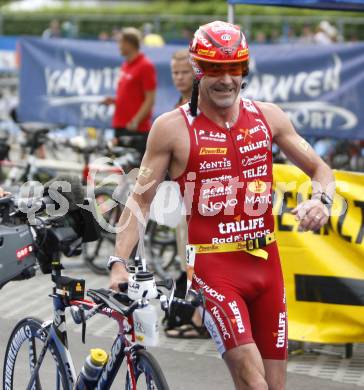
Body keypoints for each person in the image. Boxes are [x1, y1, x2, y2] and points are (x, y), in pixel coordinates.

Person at [109, 21, 335, 390]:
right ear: (199, 69)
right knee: (252, 380)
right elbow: (139, 199)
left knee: (275, 386)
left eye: (236, 68)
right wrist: (119, 261)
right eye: (215, 68)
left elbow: (320, 168)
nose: (227, 79)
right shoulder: (172, 128)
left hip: (267, 266)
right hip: (216, 269)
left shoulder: (268, 116)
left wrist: (322, 200)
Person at [164, 48, 208, 339]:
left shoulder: (202, 104)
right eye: (174, 73)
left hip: (203, 196)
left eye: (184, 72)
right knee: (187, 258)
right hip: (181, 194)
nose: (179, 78)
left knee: (198, 257)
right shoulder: (179, 104)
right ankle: (196, 313)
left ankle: (199, 316)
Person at [102, 27, 157, 157]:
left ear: (129, 43)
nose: (118, 46)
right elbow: (130, 95)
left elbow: (150, 98)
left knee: (134, 172)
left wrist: (136, 120)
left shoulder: (145, 66)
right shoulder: (126, 65)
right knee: (120, 171)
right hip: (121, 126)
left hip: (135, 129)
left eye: (120, 42)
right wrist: (114, 101)